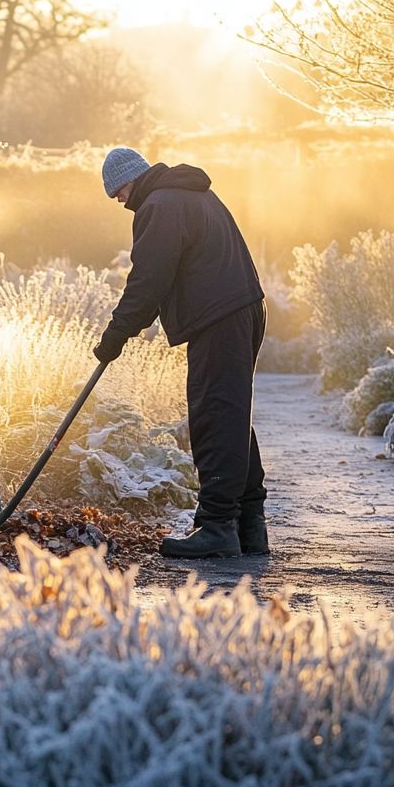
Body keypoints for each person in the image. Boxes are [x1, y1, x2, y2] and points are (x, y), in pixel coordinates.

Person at [94, 147, 268, 559]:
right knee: (231, 413)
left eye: (117, 192)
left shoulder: (159, 205)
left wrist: (115, 334)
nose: (119, 202)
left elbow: (148, 280)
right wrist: (127, 329)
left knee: (215, 415)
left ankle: (217, 528)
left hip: (220, 318)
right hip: (243, 309)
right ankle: (249, 526)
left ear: (129, 181)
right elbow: (164, 275)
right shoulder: (190, 193)